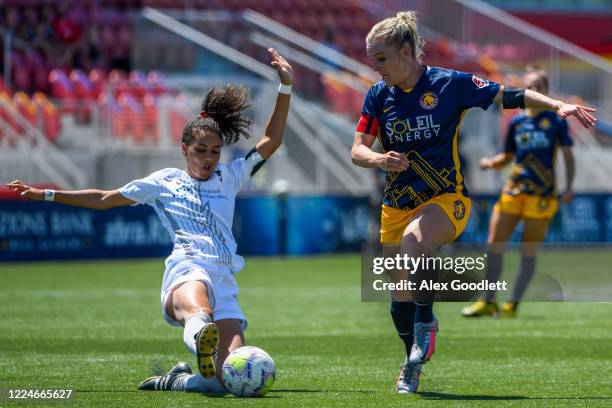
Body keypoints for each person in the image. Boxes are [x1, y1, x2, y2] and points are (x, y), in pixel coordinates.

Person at [6, 48, 293, 395]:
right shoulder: (164, 182)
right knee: (199, 311)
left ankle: (176, 379)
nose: (208, 158)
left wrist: (285, 87)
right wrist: (46, 194)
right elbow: (103, 199)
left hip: (225, 276)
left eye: (214, 151)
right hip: (188, 269)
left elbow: (272, 140)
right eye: (200, 150)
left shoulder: (231, 176)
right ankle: (201, 331)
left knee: (225, 381)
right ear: (184, 148)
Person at [350, 12, 596, 394]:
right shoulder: (378, 96)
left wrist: (555, 104)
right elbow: (357, 150)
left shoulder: (450, 84)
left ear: (404, 51)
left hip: (447, 199)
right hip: (396, 204)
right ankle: (412, 361)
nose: (375, 67)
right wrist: (380, 159)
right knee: (398, 297)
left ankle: (426, 324)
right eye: (372, 60)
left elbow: (509, 94)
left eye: (380, 59)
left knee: (418, 240)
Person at [461, 66, 575, 318]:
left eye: (538, 87)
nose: (533, 91)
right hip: (513, 190)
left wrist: (568, 187)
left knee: (528, 251)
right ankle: (489, 300)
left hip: (542, 195)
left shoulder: (555, 121)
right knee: (493, 244)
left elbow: (567, 156)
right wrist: (492, 162)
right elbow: (509, 155)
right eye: (529, 87)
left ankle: (513, 303)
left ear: (546, 91)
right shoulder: (517, 121)